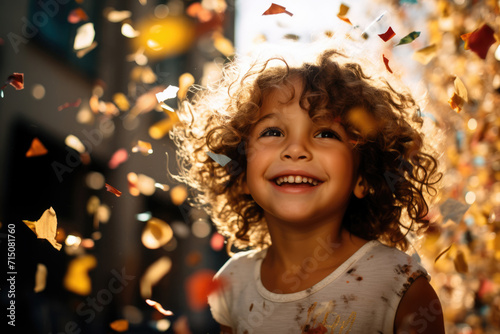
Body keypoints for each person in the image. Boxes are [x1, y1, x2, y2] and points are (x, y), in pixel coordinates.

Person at [171, 42, 444, 333]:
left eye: (326, 133)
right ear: (242, 175)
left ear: (363, 177)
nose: (296, 149)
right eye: (273, 132)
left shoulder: (400, 287)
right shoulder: (233, 282)